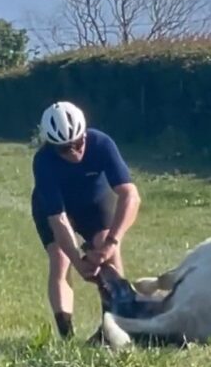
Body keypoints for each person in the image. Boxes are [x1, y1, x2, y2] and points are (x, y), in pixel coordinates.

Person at [31, 100, 141, 342]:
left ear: (84, 135)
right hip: (54, 206)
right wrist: (78, 262)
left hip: (93, 200)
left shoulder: (101, 143)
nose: (74, 153)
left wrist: (111, 243)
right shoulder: (43, 161)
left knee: (107, 250)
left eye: (78, 143)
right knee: (60, 259)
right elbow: (58, 219)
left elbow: (130, 195)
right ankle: (67, 335)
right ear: (51, 146)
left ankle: (113, 327)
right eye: (64, 149)